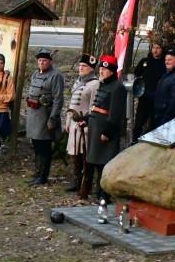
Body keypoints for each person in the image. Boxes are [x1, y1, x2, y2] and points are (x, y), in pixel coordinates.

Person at [85, 56, 127, 203]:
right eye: (100, 69)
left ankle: (104, 194)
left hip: (104, 129)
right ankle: (99, 191)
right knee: (97, 161)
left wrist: (107, 132)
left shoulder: (117, 87)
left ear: (111, 71)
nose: (101, 72)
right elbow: (98, 106)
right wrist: (87, 121)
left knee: (104, 162)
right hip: (96, 127)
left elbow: (115, 114)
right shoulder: (104, 85)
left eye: (104, 69)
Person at [25, 47, 65, 186]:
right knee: (37, 146)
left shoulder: (55, 76)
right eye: (40, 60)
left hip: (45, 115)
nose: (41, 63)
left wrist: (52, 118)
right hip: (33, 115)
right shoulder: (35, 74)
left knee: (44, 147)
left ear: (50, 61)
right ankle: (37, 173)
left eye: (44, 60)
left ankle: (43, 176)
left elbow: (58, 99)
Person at [63, 53, 98, 196]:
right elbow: (71, 104)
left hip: (84, 124)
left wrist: (88, 122)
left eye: (84, 66)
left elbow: (93, 106)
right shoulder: (78, 81)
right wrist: (68, 121)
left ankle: (85, 181)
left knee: (84, 154)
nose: (81, 68)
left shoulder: (95, 84)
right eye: (80, 65)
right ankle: (76, 180)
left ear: (91, 69)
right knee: (75, 153)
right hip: (74, 123)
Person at [132, 42, 166, 136]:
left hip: (158, 97)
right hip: (145, 96)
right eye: (154, 48)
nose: (155, 50)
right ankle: (134, 140)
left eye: (158, 48)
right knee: (139, 123)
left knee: (155, 123)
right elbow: (136, 74)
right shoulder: (145, 61)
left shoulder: (165, 63)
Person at [153, 47, 175, 127]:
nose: (166, 62)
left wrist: (165, 120)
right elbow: (161, 94)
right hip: (158, 114)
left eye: (169, 60)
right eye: (166, 60)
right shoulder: (167, 75)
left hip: (167, 119)